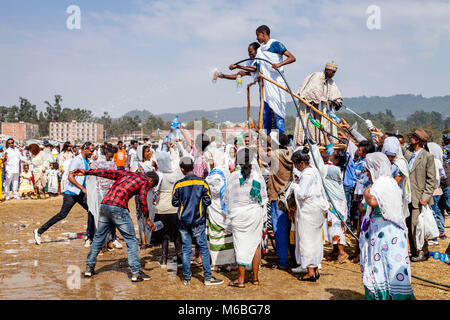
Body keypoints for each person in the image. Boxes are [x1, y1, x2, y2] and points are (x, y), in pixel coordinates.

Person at [71, 167, 160, 282]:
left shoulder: (128, 174)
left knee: (98, 238)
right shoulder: (145, 182)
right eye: (151, 187)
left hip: (105, 205)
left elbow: (106, 172)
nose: (149, 189)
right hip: (119, 208)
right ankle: (136, 272)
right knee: (131, 240)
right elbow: (142, 200)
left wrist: (86, 172)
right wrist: (148, 219)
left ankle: (89, 268)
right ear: (151, 181)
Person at [359, 152, 415, 300]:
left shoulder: (381, 183)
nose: (367, 174)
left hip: (385, 233)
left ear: (374, 168)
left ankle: (386, 296)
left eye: (368, 170)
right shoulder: (390, 182)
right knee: (392, 264)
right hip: (391, 232)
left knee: (384, 265)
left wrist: (366, 191)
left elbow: (372, 201)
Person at [172, 156, 223, 286]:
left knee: (186, 249)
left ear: (182, 169)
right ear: (193, 167)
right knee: (203, 249)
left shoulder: (178, 184)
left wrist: (185, 204)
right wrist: (198, 206)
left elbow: (174, 202)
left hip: (183, 221)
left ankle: (187, 278)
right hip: (198, 221)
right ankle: (207, 278)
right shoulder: (203, 182)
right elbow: (208, 200)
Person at [33, 142, 93, 246]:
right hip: (71, 192)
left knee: (91, 210)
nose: (92, 152)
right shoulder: (76, 160)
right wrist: (82, 187)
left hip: (80, 193)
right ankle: (39, 231)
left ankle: (89, 236)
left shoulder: (87, 160)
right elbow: (70, 177)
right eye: (91, 150)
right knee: (62, 214)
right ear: (85, 149)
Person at [226, 148, 268, 287]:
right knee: (255, 244)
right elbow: (261, 198)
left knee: (240, 245)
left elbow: (227, 198)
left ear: (237, 160)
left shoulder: (233, 176)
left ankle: (241, 279)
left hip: (239, 215)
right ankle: (255, 278)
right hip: (254, 213)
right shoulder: (256, 175)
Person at [256, 128, 294, 270]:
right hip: (290, 197)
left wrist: (258, 142)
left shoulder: (275, 155)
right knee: (292, 230)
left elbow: (261, 155)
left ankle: (283, 261)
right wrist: (262, 135)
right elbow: (278, 144)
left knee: (280, 231)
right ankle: (294, 258)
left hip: (277, 197)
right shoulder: (290, 152)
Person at [290, 147, 329, 281]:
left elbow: (302, 194)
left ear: (301, 163)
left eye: (296, 165)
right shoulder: (314, 171)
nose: (296, 168)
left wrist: (294, 185)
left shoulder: (306, 174)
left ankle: (310, 271)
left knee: (306, 240)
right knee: (316, 240)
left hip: (309, 211)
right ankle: (315, 268)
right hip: (316, 210)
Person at [255, 25, 296, 135]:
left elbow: (292, 58)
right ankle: (268, 141)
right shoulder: (260, 50)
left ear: (263, 34)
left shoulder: (276, 44)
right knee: (266, 114)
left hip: (276, 83)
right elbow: (257, 67)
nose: (257, 38)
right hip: (265, 86)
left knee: (278, 112)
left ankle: (281, 140)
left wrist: (279, 64)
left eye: (258, 35)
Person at [402, 129, 436, 262]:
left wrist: (426, 197)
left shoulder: (427, 157)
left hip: (419, 198)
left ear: (418, 141)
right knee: (410, 226)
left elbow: (431, 179)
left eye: (413, 137)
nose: (410, 138)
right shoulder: (409, 153)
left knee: (418, 226)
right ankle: (415, 251)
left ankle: (423, 251)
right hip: (408, 196)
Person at [294, 62, 343, 145]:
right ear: (326, 70)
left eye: (334, 72)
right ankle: (308, 140)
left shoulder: (330, 81)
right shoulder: (317, 76)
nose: (333, 74)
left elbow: (335, 92)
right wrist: (328, 100)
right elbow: (313, 92)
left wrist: (337, 101)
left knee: (318, 124)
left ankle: (318, 140)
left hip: (317, 108)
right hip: (308, 106)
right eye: (332, 71)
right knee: (309, 122)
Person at [205, 149, 236, 271]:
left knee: (217, 235)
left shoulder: (215, 174)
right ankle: (230, 262)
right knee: (227, 235)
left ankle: (217, 262)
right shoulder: (227, 171)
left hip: (216, 208)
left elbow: (215, 190)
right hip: (226, 208)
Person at [87, 145, 122, 251]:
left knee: (105, 219)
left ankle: (109, 242)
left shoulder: (105, 163)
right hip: (101, 194)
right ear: (106, 153)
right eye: (110, 156)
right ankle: (102, 245)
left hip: (107, 194)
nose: (111, 158)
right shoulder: (97, 163)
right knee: (103, 219)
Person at [153, 150, 184, 267]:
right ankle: (180, 257)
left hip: (162, 209)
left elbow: (155, 191)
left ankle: (164, 259)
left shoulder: (159, 174)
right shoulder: (177, 173)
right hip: (175, 208)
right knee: (176, 234)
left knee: (164, 235)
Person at [382, 136, 411, 221]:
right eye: (388, 156)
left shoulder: (400, 164)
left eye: (392, 156)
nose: (390, 159)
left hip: (395, 195)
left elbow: (395, 183)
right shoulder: (383, 162)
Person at [426, 142, 446, 245]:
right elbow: (443, 175)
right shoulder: (438, 161)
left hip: (431, 191)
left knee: (432, 213)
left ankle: (434, 238)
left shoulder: (427, 161)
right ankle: (441, 231)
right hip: (438, 189)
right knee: (438, 211)